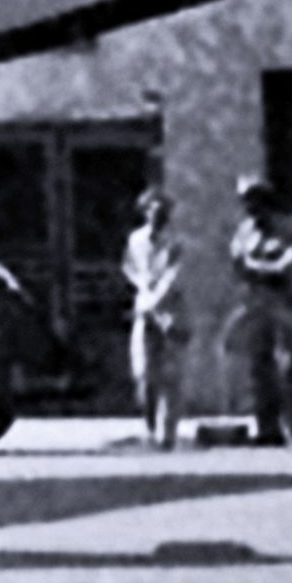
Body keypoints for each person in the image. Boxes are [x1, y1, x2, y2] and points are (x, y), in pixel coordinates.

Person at [227, 177, 292, 446]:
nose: (250, 207)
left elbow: (286, 264)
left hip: (281, 304)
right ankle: (267, 428)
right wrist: (257, 266)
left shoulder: (285, 230)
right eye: (246, 201)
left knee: (287, 367)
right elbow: (237, 264)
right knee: (259, 367)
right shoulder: (244, 232)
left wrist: (256, 266)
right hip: (254, 304)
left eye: (254, 200)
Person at [119, 183, 186, 450]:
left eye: (162, 211)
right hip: (144, 311)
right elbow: (129, 267)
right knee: (144, 372)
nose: (156, 216)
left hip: (170, 312)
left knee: (171, 375)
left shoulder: (175, 244)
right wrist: (141, 290)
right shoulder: (135, 240)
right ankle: (148, 426)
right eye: (151, 210)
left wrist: (156, 302)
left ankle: (167, 434)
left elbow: (174, 276)